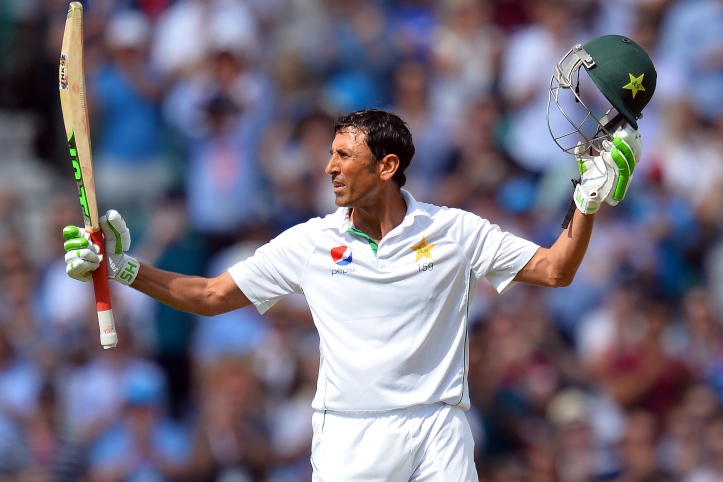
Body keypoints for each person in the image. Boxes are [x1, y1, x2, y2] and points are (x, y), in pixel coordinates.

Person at [61, 35, 655, 481]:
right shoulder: (310, 242)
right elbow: (212, 296)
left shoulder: (454, 230)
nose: (329, 168)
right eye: (330, 154)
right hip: (348, 435)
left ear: (387, 166)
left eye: (345, 156)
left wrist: (586, 202)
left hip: (437, 428)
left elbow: (556, 269)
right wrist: (121, 267)